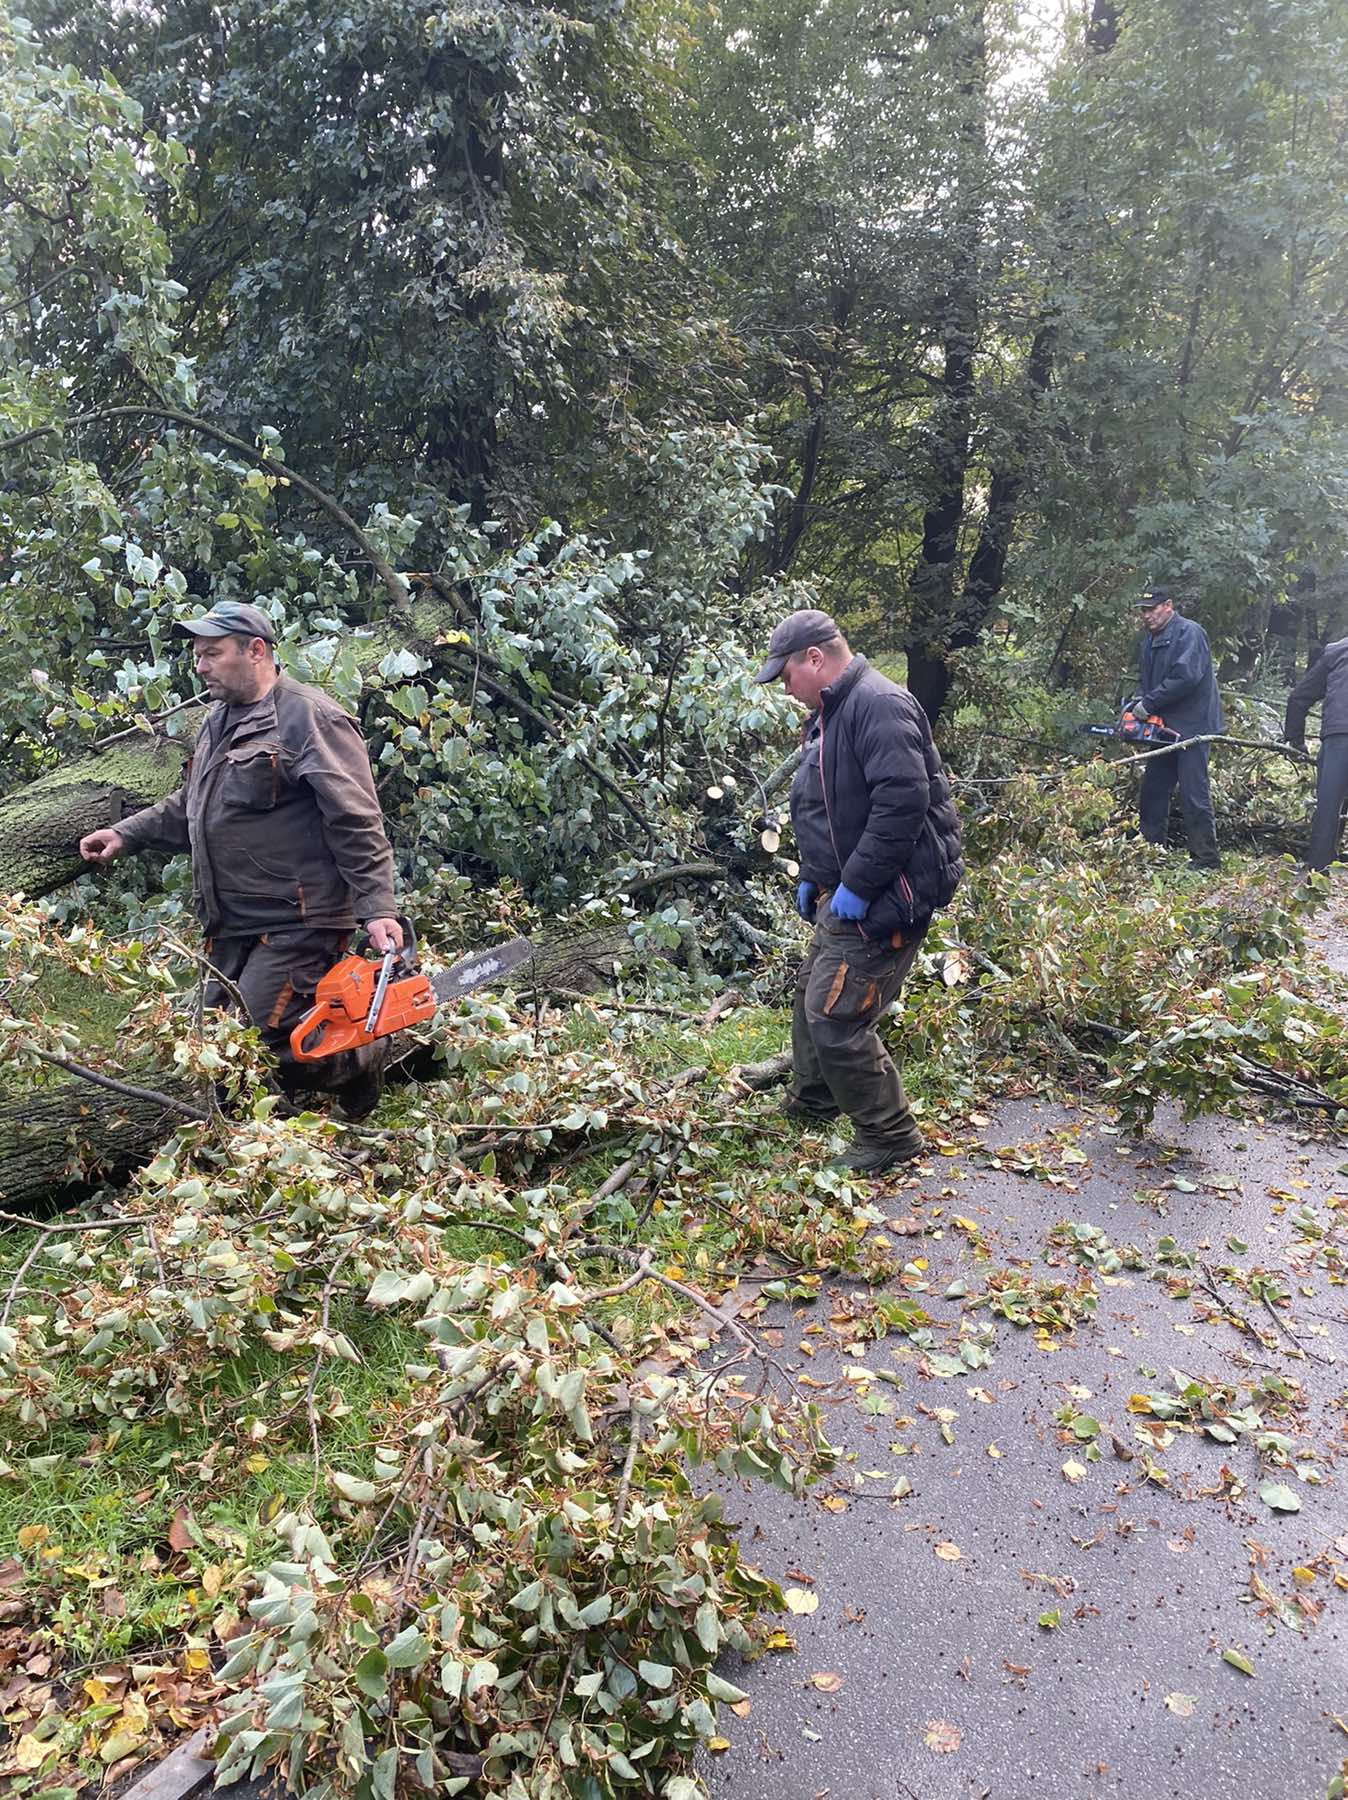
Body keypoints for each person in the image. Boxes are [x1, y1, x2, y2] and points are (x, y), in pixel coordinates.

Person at [78, 601, 403, 1118]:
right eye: (197, 656)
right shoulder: (217, 721)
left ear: (257, 651)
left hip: (299, 918)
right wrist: (125, 833)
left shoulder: (310, 718)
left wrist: (378, 908)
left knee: (252, 1043)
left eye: (212, 654)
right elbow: (192, 805)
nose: (201, 667)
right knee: (209, 1046)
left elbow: (355, 820)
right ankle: (261, 1131)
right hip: (231, 922)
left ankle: (363, 1058)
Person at [754, 608, 963, 1175]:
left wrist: (859, 885)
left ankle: (890, 1134)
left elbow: (901, 805)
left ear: (815, 659)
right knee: (811, 998)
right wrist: (815, 876)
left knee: (838, 1016)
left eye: (787, 675)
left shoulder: (878, 705)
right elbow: (830, 805)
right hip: (845, 890)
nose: (786, 689)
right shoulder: (831, 711)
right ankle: (814, 1099)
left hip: (888, 896)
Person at [1133, 585, 1223, 869]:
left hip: (1193, 726)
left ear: (1168, 605)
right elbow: (1150, 683)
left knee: (1193, 793)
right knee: (1154, 789)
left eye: (1152, 609)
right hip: (1165, 728)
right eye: (1143, 610)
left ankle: (1206, 859)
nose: (1147, 616)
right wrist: (1141, 705)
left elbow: (1185, 677)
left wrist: (1149, 704)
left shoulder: (1189, 633)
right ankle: (1150, 851)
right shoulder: (1150, 641)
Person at [1284, 635, 1348, 870]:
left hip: (1338, 736)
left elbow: (1299, 697)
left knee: (1329, 805)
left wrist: (1296, 741)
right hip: (1339, 732)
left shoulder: (1337, 651)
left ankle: (1319, 871)